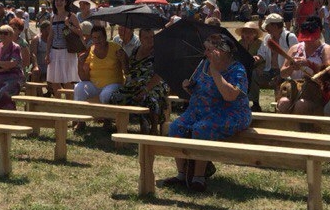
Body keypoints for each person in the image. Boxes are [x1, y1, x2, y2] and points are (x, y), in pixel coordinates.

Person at [161, 33, 251, 193]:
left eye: (210, 49)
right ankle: (182, 174)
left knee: (202, 129)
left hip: (229, 113)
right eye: (206, 49)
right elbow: (198, 89)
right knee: (175, 127)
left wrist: (215, 71)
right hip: (200, 110)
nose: (205, 53)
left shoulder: (237, 69)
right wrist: (188, 87)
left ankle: (199, 177)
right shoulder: (203, 64)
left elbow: (230, 96)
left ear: (222, 51)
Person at [108, 28, 169, 134]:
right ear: (140, 39)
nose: (150, 40)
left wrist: (145, 90)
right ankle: (120, 124)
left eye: (152, 37)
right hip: (135, 84)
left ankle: (154, 127)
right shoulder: (136, 50)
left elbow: (159, 75)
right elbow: (128, 71)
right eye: (146, 37)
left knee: (150, 98)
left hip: (155, 84)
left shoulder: (159, 52)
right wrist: (123, 60)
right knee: (116, 97)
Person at [276, 16, 330, 115]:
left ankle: (302, 125)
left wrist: (308, 63)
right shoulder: (295, 49)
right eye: (306, 39)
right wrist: (291, 67)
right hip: (294, 90)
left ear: (319, 35)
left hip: (316, 92)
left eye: (311, 39)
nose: (308, 42)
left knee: (301, 105)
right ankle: (285, 125)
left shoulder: (326, 49)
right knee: (283, 103)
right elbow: (283, 73)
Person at [253, 13, 296, 111]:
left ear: (275, 26)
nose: (266, 29)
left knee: (281, 84)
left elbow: (295, 59)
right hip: (269, 70)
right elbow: (262, 53)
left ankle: (280, 107)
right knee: (254, 74)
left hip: (285, 73)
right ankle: (256, 104)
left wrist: (281, 75)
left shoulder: (290, 37)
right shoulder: (267, 38)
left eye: (268, 26)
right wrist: (258, 58)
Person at [73, 25, 125, 104]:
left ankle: (103, 112)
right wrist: (80, 64)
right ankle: (80, 111)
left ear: (105, 37)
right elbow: (84, 79)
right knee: (78, 88)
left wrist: (123, 60)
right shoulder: (90, 50)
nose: (97, 40)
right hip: (94, 85)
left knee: (105, 95)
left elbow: (127, 70)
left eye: (100, 37)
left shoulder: (116, 48)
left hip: (113, 85)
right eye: (94, 38)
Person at [45, 0, 83, 94]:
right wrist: (47, 53)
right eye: (57, 0)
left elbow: (80, 32)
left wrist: (68, 25)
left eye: (62, 0)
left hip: (67, 51)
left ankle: (69, 102)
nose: (59, 2)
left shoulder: (71, 16)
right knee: (54, 81)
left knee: (68, 80)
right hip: (54, 51)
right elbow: (50, 36)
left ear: (66, 2)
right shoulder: (53, 17)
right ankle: (57, 102)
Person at [0, 24, 24, 110]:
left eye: (5, 33)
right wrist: (0, 69)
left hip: (13, 77)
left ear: (11, 35)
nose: (2, 35)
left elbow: (12, 64)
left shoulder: (15, 47)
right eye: (0, 33)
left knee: (3, 92)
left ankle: (8, 112)